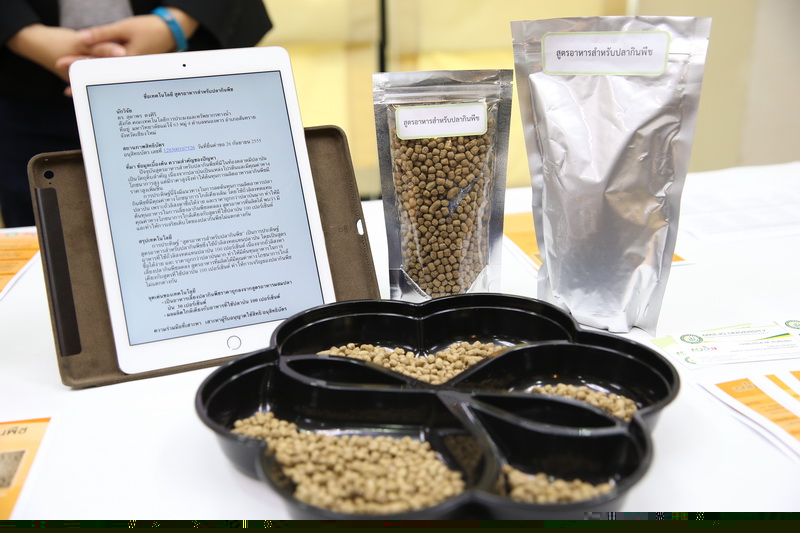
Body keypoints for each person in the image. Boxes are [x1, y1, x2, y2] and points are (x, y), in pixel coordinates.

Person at [0, 1, 272, 227]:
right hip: (27, 88)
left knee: (216, 223)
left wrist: (175, 23)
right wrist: (20, 31)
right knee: (44, 238)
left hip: (197, 71)